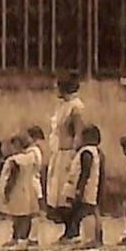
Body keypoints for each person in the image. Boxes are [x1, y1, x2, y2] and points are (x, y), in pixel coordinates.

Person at [44, 74, 86, 241]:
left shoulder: (76, 107)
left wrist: (74, 156)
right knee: (58, 194)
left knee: (67, 192)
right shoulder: (62, 106)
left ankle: (73, 230)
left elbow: (78, 133)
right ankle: (68, 229)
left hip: (68, 153)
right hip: (59, 153)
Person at [0, 133, 43, 249]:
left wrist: (7, 190)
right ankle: (17, 238)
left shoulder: (16, 160)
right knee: (19, 216)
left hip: (17, 191)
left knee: (20, 217)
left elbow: (13, 176)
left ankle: (21, 239)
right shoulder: (28, 158)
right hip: (25, 190)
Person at [64, 124, 104, 248]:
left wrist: (79, 189)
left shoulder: (86, 152)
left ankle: (89, 238)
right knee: (91, 211)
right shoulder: (97, 152)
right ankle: (94, 238)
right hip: (93, 186)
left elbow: (85, 172)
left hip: (87, 187)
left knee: (86, 212)